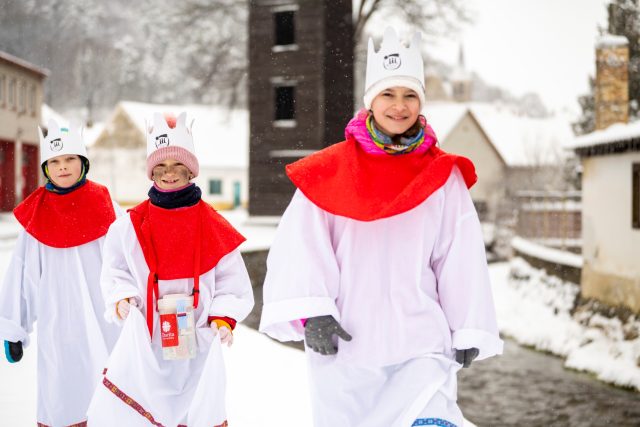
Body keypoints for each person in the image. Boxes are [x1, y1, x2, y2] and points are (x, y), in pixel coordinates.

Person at [259, 27, 503, 426]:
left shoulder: (443, 176)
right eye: (388, 94)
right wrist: (313, 312)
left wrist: (468, 326)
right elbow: (301, 245)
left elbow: (459, 254)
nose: (399, 106)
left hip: (420, 342)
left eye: (410, 95)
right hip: (348, 346)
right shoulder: (329, 170)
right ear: (371, 100)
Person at [87, 112, 254, 426]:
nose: (169, 174)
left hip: (198, 336)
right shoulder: (129, 227)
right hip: (148, 341)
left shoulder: (212, 225)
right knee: (146, 406)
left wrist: (223, 317)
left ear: (190, 170)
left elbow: (232, 281)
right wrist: (122, 297)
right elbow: (115, 269)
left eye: (178, 166)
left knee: (196, 408)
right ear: (151, 173)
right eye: (161, 167)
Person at [0, 119, 122, 426]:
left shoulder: (106, 203)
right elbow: (23, 274)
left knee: (110, 388)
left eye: (70, 159)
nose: (62, 167)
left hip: (105, 318)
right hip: (59, 322)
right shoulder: (37, 212)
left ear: (82, 163)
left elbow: (129, 257)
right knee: (63, 390)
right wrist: (15, 326)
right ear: (46, 168)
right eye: (54, 161)